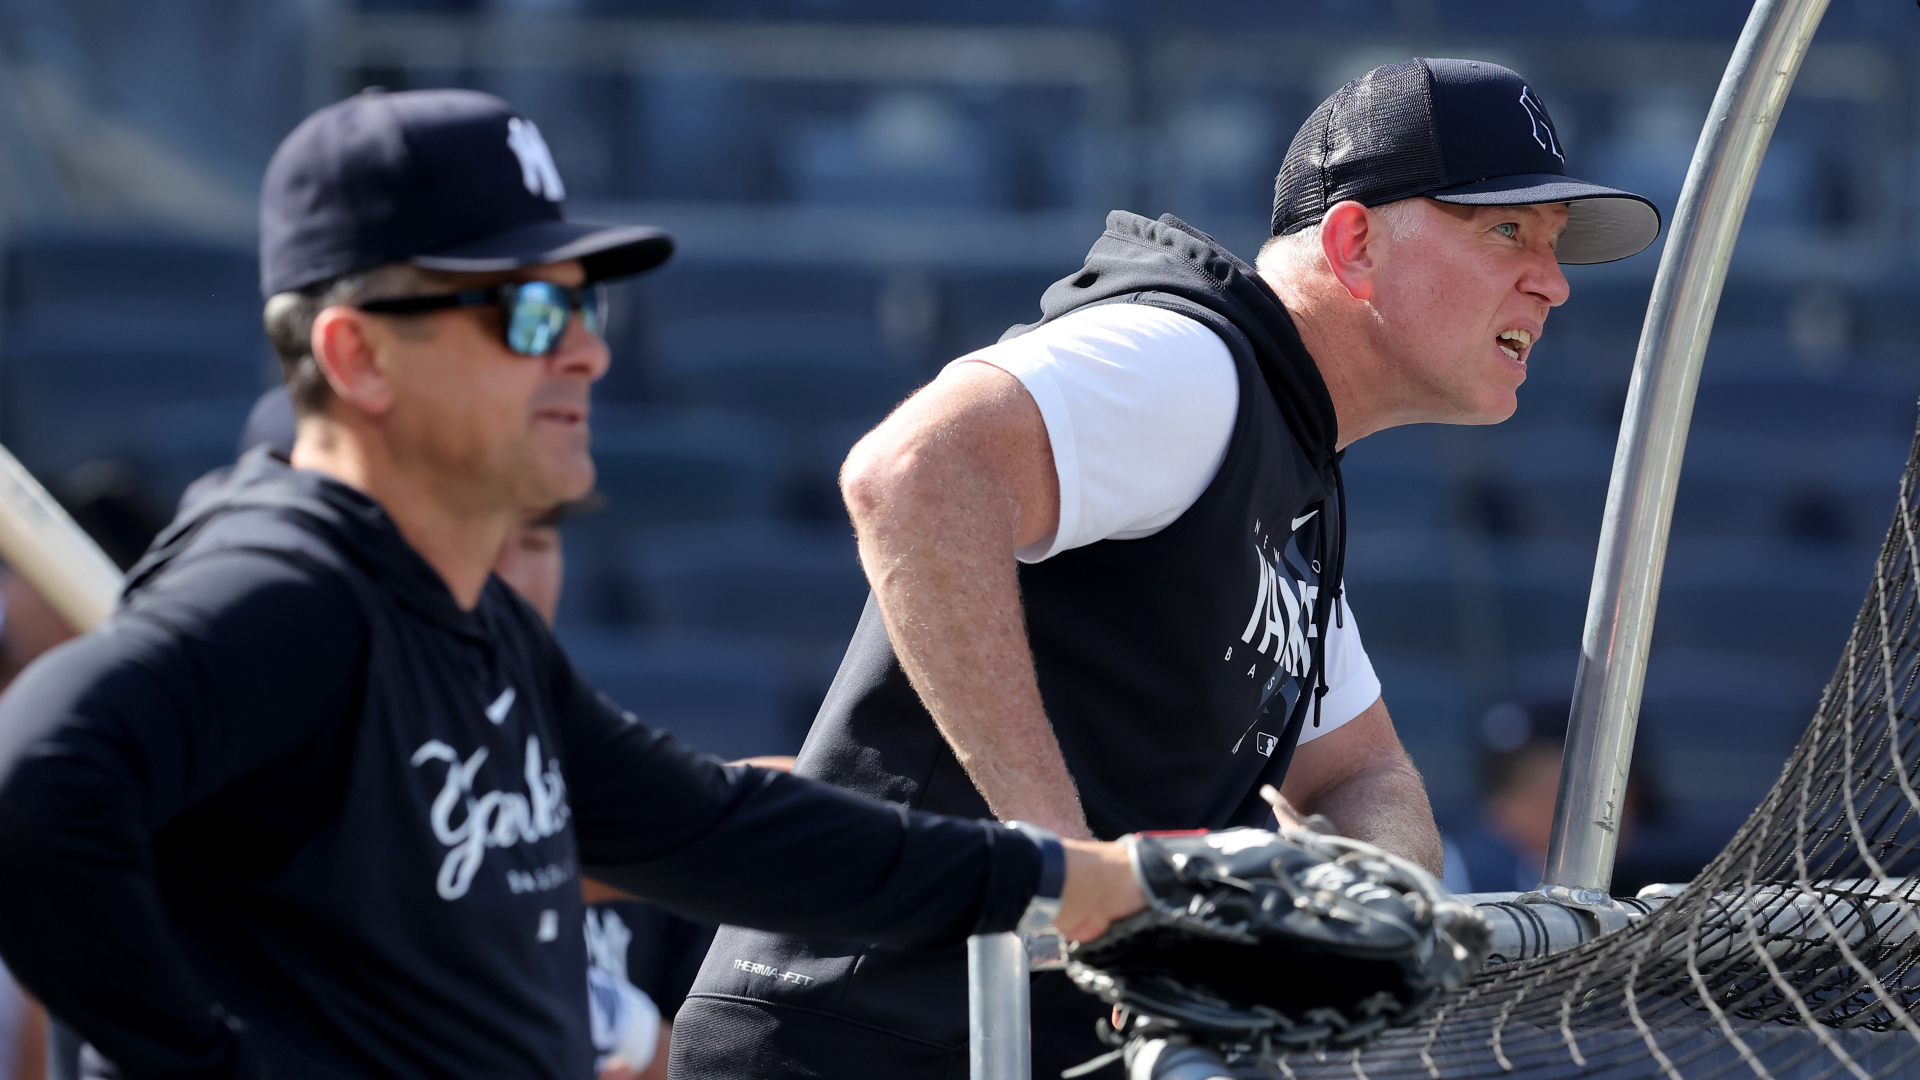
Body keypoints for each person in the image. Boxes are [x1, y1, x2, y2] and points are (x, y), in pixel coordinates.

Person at [0, 88, 1148, 1080]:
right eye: (527, 312)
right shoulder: (285, 585)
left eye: (585, 304)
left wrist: (1067, 875)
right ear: (356, 355)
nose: (586, 352)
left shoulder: (464, 617)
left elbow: (715, 830)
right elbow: (33, 778)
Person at [677, 58, 1662, 1079]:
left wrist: (1355, 909)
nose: (1552, 281)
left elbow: (1361, 771)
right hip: (867, 1036)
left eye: (1552, 248)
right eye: (1505, 233)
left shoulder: (1288, 461)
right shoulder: (1193, 363)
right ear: (1354, 241)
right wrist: (1060, 866)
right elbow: (913, 473)